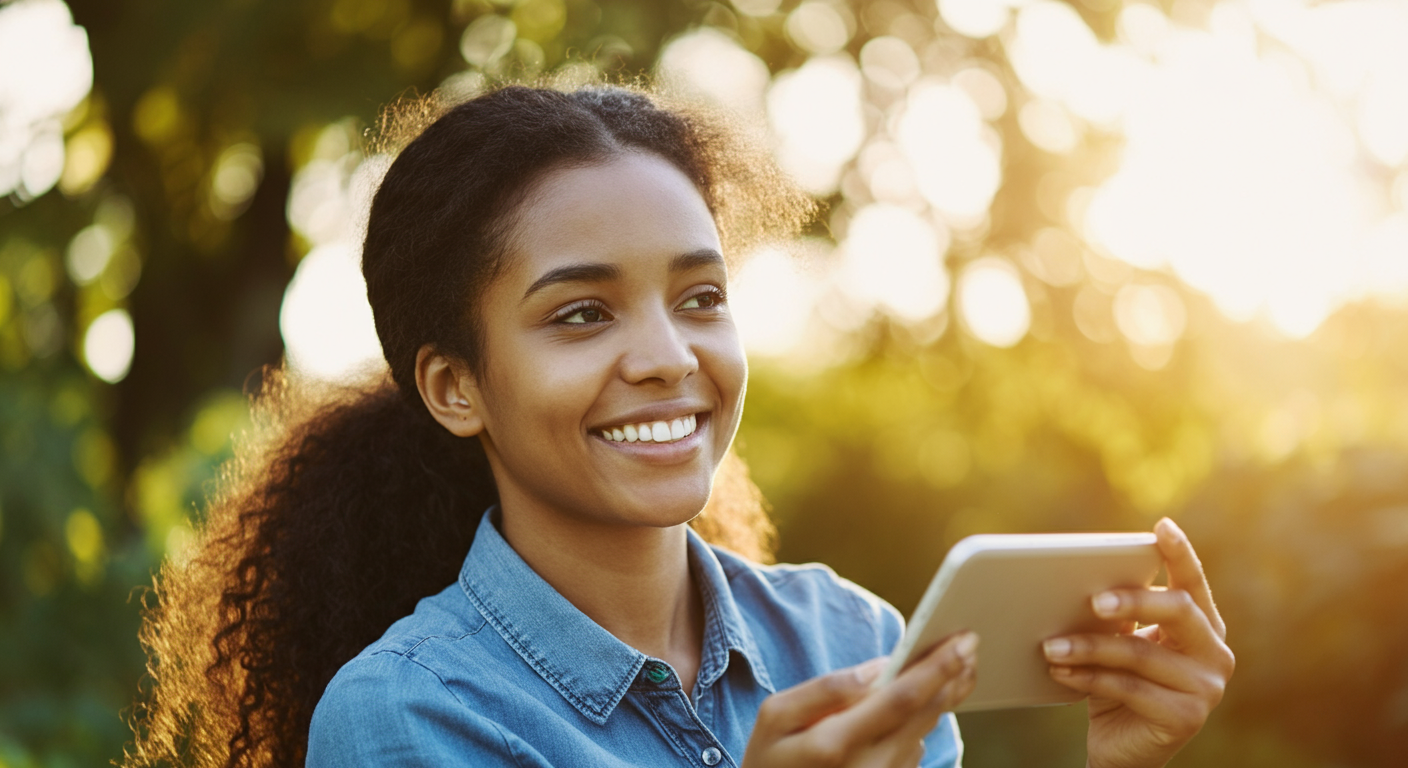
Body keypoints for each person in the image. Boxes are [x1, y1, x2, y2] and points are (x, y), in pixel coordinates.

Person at [124, 84, 1233, 768]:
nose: (667, 355)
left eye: (698, 297)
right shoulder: (407, 717)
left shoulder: (853, 640)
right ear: (456, 387)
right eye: (580, 314)